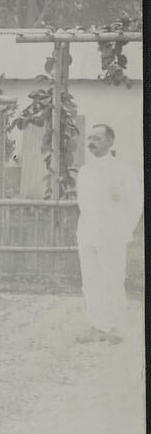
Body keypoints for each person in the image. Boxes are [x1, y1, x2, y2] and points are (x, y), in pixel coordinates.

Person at [74, 124, 143, 344]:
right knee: (90, 281)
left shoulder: (123, 170)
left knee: (113, 280)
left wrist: (122, 230)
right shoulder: (85, 171)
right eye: (90, 138)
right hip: (87, 234)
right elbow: (83, 204)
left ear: (110, 141)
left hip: (112, 235)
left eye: (97, 138)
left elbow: (135, 204)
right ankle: (98, 326)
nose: (91, 143)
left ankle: (116, 328)